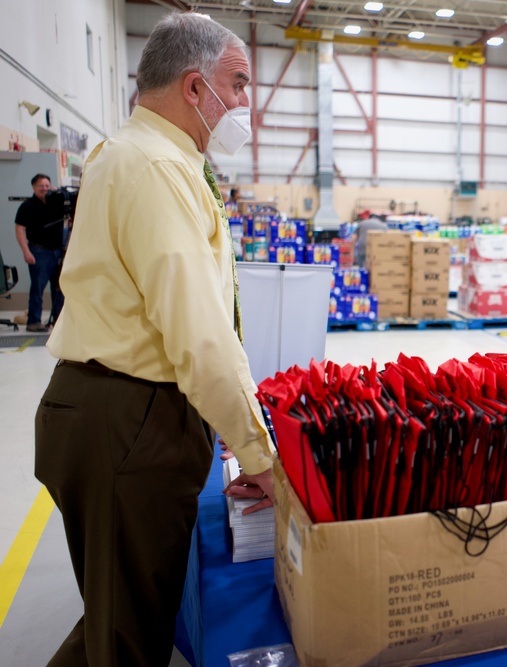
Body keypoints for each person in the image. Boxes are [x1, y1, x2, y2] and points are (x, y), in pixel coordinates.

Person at [35, 13, 274, 666]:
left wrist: (223, 419)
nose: (247, 100)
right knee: (127, 638)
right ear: (196, 88)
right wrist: (259, 455)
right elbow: (199, 333)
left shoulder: (135, 155)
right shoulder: (158, 169)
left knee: (122, 616)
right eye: (239, 82)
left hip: (111, 409)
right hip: (127, 418)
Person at [15, 174, 66, 331]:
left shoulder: (57, 203)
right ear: (33, 187)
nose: (44, 188)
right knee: (37, 288)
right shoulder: (27, 206)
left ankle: (59, 321)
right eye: (41, 186)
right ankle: (34, 321)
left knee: (60, 289)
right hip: (39, 252)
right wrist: (26, 251)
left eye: (47, 185)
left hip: (58, 252)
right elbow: (20, 229)